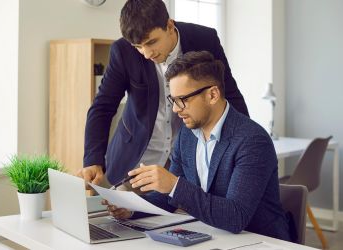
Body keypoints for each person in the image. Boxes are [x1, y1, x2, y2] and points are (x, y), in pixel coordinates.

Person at [104, 51, 291, 241]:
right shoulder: (187, 135)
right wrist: (131, 208)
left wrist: (174, 185)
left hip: (259, 241)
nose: (176, 109)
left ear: (212, 95)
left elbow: (235, 217)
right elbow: (169, 199)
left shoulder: (252, 140)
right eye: (173, 100)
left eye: (182, 100)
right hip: (214, 236)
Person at [78, 0, 249, 186]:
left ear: (169, 25)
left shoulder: (205, 39)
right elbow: (103, 106)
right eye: (138, 46)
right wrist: (92, 159)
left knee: (184, 213)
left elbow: (228, 94)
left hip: (185, 162)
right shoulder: (122, 51)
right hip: (135, 162)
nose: (146, 53)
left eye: (151, 42)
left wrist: (246, 144)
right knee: (122, 212)